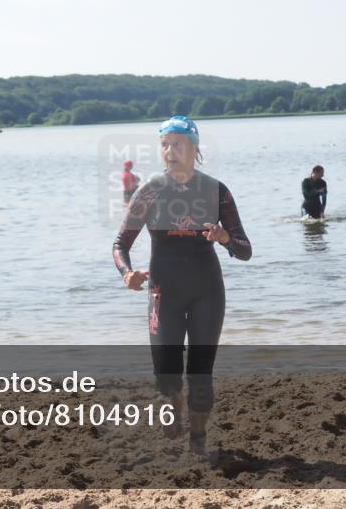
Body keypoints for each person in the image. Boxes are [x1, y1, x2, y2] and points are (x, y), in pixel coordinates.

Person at [112, 116, 251, 457]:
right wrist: (127, 273)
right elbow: (120, 244)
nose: (169, 150)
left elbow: (245, 250)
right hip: (164, 293)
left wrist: (224, 238)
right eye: (164, 144)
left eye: (177, 143)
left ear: (194, 148)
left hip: (207, 291)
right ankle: (174, 404)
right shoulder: (149, 191)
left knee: (201, 375)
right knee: (166, 376)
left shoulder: (217, 191)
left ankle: (198, 442)